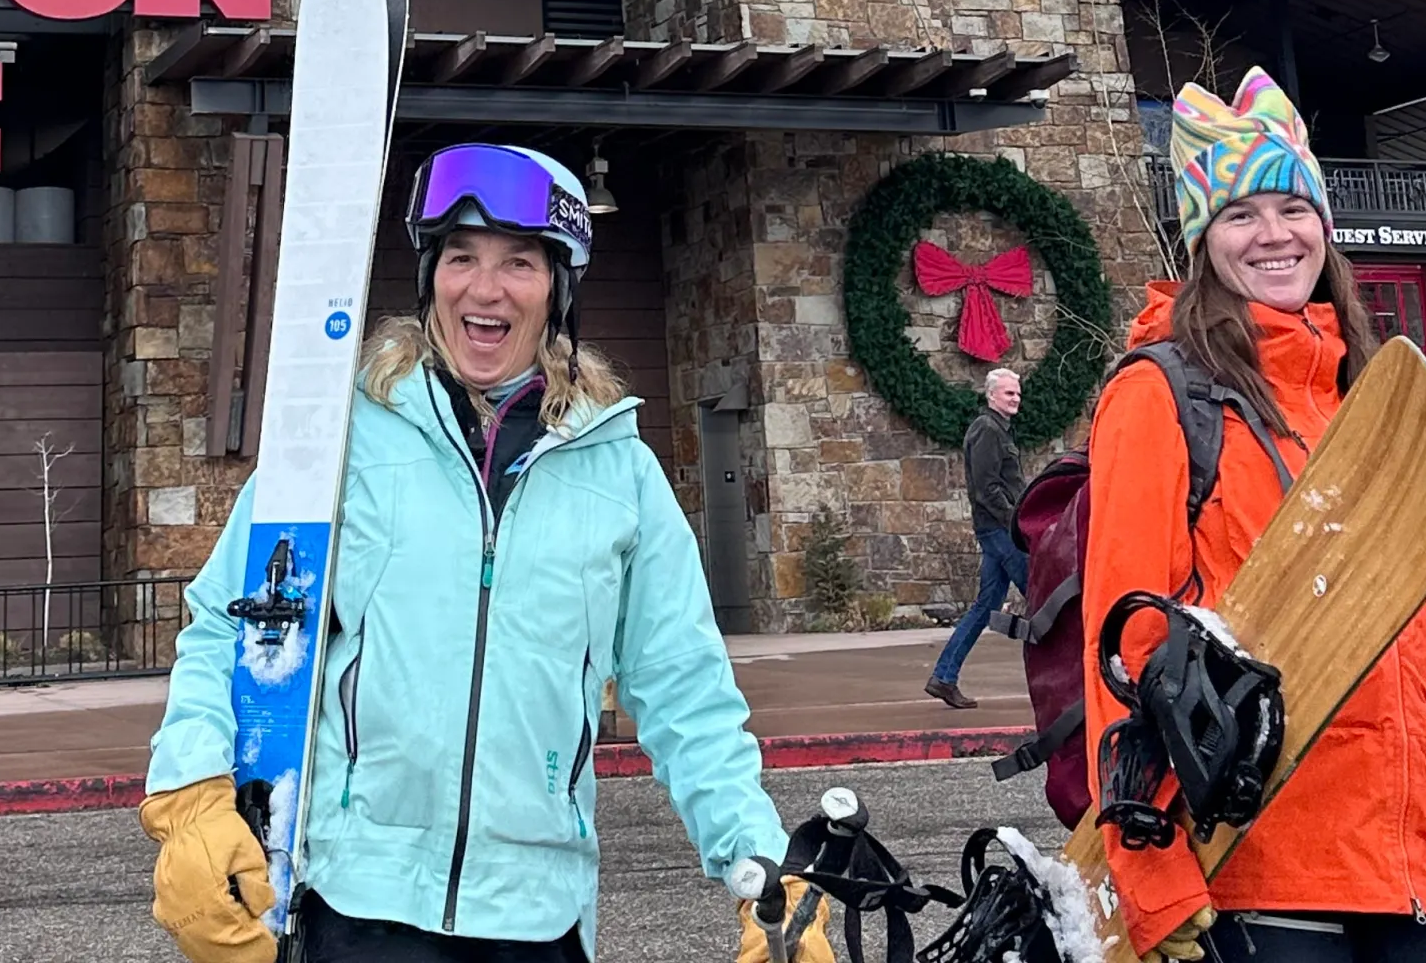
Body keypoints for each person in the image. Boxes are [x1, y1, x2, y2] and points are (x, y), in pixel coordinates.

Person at [141, 143, 832, 963]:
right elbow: (231, 621)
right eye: (461, 257)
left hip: (537, 919)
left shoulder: (620, 473)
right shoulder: (340, 446)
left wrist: (762, 863)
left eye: (519, 263)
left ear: (558, 290)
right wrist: (191, 789)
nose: (486, 288)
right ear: (432, 274)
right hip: (356, 905)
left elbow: (684, 687)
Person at [1082, 68, 1426, 963]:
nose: (1273, 236)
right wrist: (1155, 885)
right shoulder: (1160, 395)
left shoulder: (1371, 403)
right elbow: (1125, 649)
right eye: (1240, 215)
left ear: (1324, 223)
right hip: (1258, 880)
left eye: (1292, 207)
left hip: (1415, 882)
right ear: (1203, 240)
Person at [924, 365, 1025, 709]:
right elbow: (987, 489)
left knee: (985, 607)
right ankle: (1074, 682)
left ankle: (944, 677)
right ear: (992, 394)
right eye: (1009, 393)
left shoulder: (999, 430)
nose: (1016, 398)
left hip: (999, 530)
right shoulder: (986, 429)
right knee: (1045, 597)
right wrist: (1018, 523)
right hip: (1000, 530)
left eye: (1018, 393)